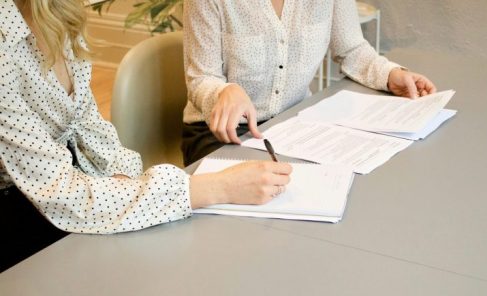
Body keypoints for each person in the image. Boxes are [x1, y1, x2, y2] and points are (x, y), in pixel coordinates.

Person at [0, 0, 292, 272]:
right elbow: (59, 193)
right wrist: (217, 188)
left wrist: (126, 181)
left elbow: (88, 127)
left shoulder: (59, 14)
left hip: (66, 186)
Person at [181, 0, 438, 165]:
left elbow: (351, 49)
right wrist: (224, 92)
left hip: (293, 125)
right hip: (221, 134)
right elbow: (201, 78)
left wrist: (391, 74)